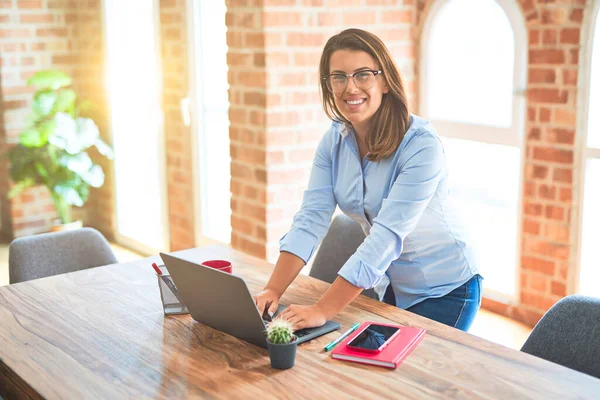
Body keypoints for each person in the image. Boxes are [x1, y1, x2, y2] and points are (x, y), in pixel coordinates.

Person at [253, 28, 482, 332]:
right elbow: (310, 219)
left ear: (385, 80)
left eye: (363, 75)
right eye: (339, 77)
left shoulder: (421, 145)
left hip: (446, 287)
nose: (350, 88)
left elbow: (385, 237)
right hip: (390, 284)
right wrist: (272, 290)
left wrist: (322, 309)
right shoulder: (333, 142)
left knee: (413, 375)